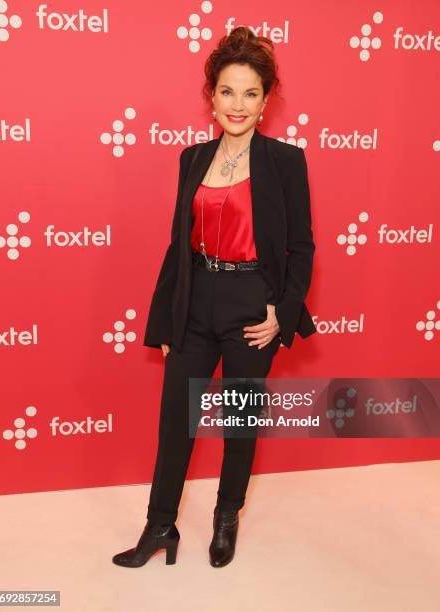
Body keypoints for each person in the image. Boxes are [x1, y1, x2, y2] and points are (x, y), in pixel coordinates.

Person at [112, 26, 316, 569]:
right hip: (196, 300)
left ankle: (226, 519)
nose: (238, 104)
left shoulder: (285, 161)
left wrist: (284, 314)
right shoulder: (192, 158)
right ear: (212, 95)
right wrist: (165, 320)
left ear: (266, 100)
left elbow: (301, 247)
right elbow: (179, 245)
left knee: (238, 422)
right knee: (175, 418)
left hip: (254, 307)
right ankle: (159, 528)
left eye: (251, 93)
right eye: (228, 91)